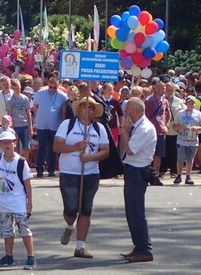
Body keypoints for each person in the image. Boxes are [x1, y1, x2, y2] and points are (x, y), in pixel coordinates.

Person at [53, 96, 110, 259]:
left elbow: (105, 151)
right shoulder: (67, 125)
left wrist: (90, 158)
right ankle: (70, 225)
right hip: (69, 173)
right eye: (85, 106)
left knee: (86, 210)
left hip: (91, 174)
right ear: (79, 109)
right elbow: (56, 146)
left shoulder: (99, 128)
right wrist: (75, 147)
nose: (88, 109)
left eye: (91, 107)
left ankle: (80, 247)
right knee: (71, 209)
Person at [0, 130, 36, 270]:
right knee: (7, 230)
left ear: (14, 143)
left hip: (18, 201)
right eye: (3, 142)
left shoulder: (21, 162)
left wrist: (29, 201)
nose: (6, 145)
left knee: (23, 229)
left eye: (9, 142)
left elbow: (27, 183)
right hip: (2, 202)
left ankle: (31, 257)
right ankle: (9, 256)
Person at [119, 97, 157, 263]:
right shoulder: (138, 126)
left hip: (137, 171)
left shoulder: (145, 128)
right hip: (131, 170)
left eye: (128, 109)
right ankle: (138, 246)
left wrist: (125, 132)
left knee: (137, 212)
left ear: (136, 111)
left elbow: (131, 150)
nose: (126, 112)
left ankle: (145, 249)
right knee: (131, 212)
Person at [33, 76, 67, 178]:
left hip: (54, 126)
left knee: (53, 149)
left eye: (54, 87)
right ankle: (39, 169)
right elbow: (35, 106)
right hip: (42, 125)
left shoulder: (62, 96)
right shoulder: (40, 93)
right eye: (50, 87)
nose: (52, 89)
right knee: (41, 148)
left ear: (58, 86)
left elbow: (64, 109)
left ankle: (51, 169)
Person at [172, 96, 201, 185]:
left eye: (192, 103)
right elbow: (174, 126)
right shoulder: (180, 113)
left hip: (193, 140)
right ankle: (178, 175)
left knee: (190, 159)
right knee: (180, 158)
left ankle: (188, 176)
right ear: (186, 104)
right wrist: (182, 127)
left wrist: (196, 128)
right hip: (182, 139)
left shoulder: (198, 114)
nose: (191, 105)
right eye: (189, 103)